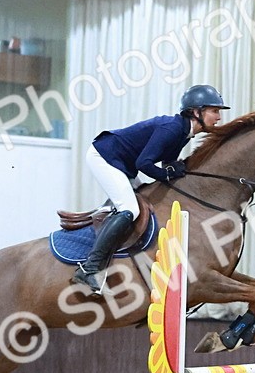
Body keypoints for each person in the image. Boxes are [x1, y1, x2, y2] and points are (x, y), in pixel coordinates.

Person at [71, 84, 229, 293]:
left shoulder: (183, 132)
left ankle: (109, 221)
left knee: (146, 200)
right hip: (105, 156)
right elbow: (143, 164)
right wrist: (166, 174)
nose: (218, 118)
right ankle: (89, 269)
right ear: (196, 112)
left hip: (123, 163)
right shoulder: (172, 129)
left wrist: (176, 169)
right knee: (130, 209)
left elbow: (166, 161)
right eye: (214, 111)